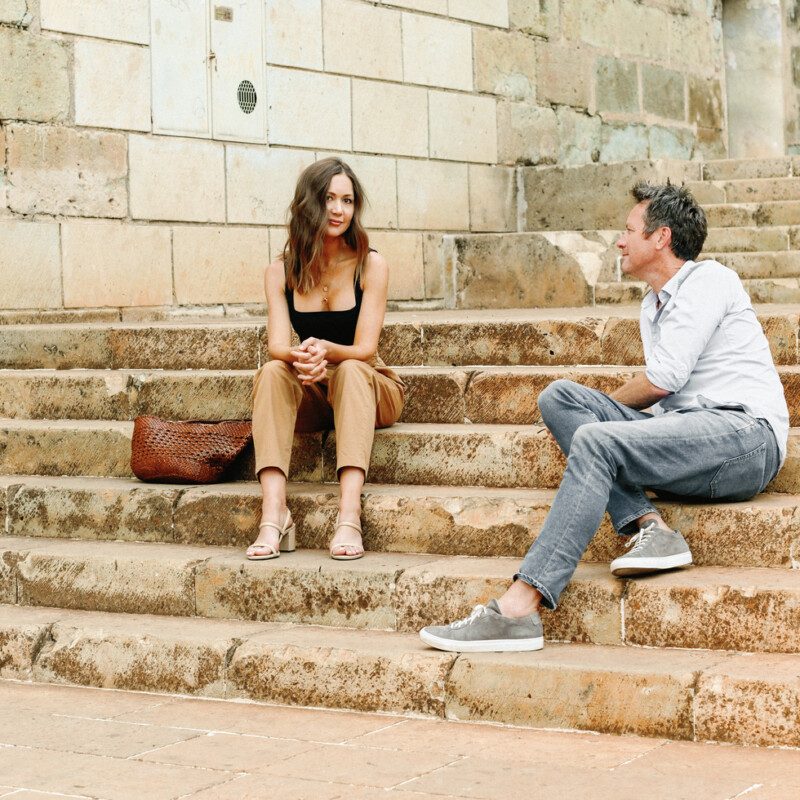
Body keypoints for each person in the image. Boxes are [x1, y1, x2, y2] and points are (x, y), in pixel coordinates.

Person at [419, 181, 789, 653]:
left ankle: (519, 608)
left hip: (744, 439)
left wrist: (604, 426)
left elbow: (664, 379)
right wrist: (601, 415)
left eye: (629, 230)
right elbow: (661, 397)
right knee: (560, 399)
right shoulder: (651, 305)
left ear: (661, 238)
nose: (619, 240)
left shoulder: (710, 279)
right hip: (690, 439)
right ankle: (651, 529)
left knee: (595, 439)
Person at [248, 158, 404, 561]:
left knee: (350, 369)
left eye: (347, 200)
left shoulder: (371, 264)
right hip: (315, 384)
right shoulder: (279, 271)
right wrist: (308, 357)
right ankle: (274, 514)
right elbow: (277, 345)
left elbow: (365, 349)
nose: (338, 210)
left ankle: (349, 514)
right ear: (308, 204)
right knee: (270, 373)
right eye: (328, 199)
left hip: (370, 384)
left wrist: (328, 352)